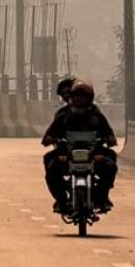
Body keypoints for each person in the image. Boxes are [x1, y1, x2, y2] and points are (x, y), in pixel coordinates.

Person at [40, 79, 118, 213]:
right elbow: (49, 134)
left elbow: (109, 133)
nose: (80, 100)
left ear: (90, 98)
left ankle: (101, 196)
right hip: (68, 154)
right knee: (51, 164)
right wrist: (49, 139)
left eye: (83, 97)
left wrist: (109, 139)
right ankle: (61, 199)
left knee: (110, 163)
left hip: (93, 154)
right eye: (77, 96)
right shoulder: (63, 115)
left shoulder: (96, 115)